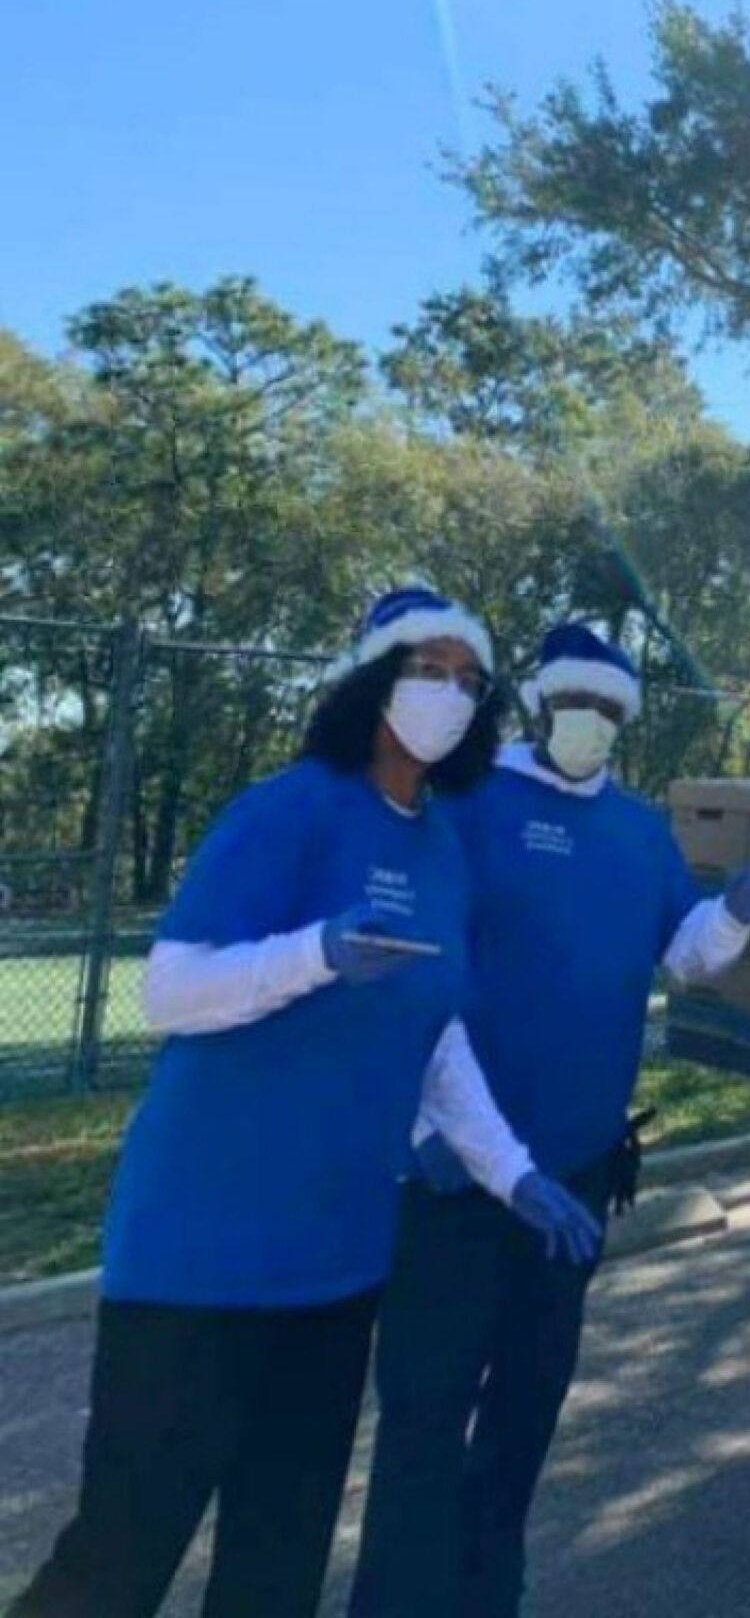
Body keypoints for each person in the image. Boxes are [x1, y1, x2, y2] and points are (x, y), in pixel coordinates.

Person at [8, 586, 543, 1618]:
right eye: (428, 670)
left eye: (470, 681)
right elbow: (171, 988)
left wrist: (511, 1170)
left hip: (336, 1273)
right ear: (373, 680)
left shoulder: (441, 848)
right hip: (198, 1266)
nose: (450, 694)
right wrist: (316, 953)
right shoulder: (288, 808)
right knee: (120, 1551)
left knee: (278, 1561)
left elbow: (437, 1039)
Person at [348, 621, 750, 1618]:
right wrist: (433, 1131)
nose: (588, 722)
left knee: (525, 1410)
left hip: (576, 1181)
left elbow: (679, 952)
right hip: (457, 1179)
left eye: (608, 709)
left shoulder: (638, 829)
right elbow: (414, 966)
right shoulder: (468, 801)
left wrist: (735, 910)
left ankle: (485, 1594)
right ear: (542, 704)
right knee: (425, 1418)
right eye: (574, 704)